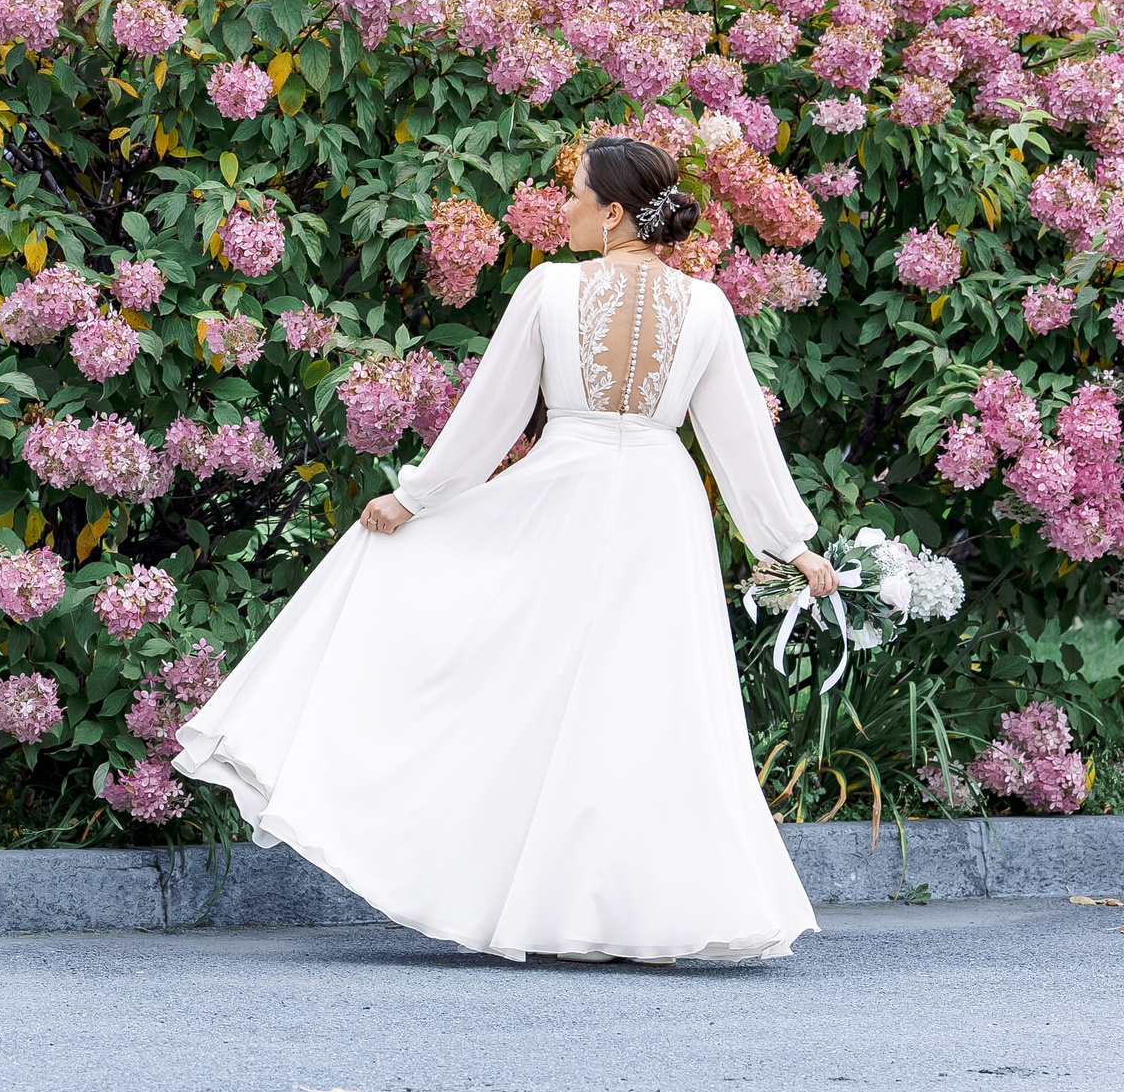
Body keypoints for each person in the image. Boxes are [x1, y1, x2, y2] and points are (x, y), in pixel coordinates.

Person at [175, 136, 839, 964]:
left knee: (542, 688)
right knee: (650, 699)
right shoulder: (706, 308)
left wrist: (415, 496)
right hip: (662, 505)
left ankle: (555, 903)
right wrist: (793, 544)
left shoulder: (548, 290)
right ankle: (647, 913)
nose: (563, 208)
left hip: (568, 490)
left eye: (574, 194)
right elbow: (741, 444)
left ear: (615, 213)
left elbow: (489, 416)